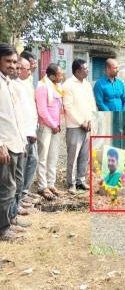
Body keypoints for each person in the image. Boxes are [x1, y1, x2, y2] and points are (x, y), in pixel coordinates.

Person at [0, 43, 27, 241]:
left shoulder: (8, 83)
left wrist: (22, 141)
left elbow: (16, 118)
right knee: (6, 188)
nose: (12, 65)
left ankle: (11, 219)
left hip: (16, 143)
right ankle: (3, 229)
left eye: (14, 62)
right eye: (8, 61)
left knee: (16, 185)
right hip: (5, 145)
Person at [9, 57, 38, 218]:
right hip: (15, 138)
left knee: (18, 177)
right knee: (12, 181)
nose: (17, 70)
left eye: (20, 67)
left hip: (24, 134)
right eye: (15, 66)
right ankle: (11, 215)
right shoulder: (10, 85)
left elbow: (25, 112)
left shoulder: (23, 84)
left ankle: (17, 205)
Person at [63, 59, 97, 194]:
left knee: (84, 155)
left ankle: (80, 180)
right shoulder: (68, 85)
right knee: (73, 155)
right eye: (85, 69)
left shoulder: (87, 85)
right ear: (77, 71)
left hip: (88, 125)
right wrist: (80, 122)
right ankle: (71, 183)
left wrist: (91, 120)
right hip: (75, 126)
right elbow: (68, 107)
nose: (88, 70)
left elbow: (91, 103)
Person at [35, 63, 64, 200]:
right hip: (46, 127)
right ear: (52, 76)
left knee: (53, 157)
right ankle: (42, 186)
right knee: (43, 157)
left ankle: (51, 183)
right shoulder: (42, 87)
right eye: (59, 74)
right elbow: (42, 111)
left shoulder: (57, 86)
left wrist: (57, 125)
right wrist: (53, 125)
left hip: (55, 127)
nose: (62, 76)